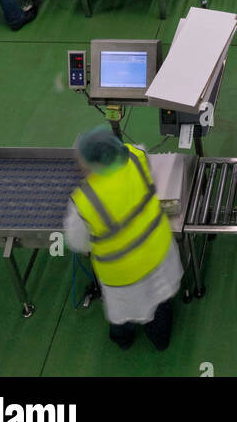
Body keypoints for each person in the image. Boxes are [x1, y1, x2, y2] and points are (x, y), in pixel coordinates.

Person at [64, 127, 182, 352]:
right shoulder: (137, 158)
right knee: (159, 305)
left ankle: (124, 341)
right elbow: (139, 155)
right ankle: (160, 341)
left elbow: (77, 242)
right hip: (158, 254)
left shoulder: (85, 200)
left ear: (91, 164)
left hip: (123, 276)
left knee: (123, 315)